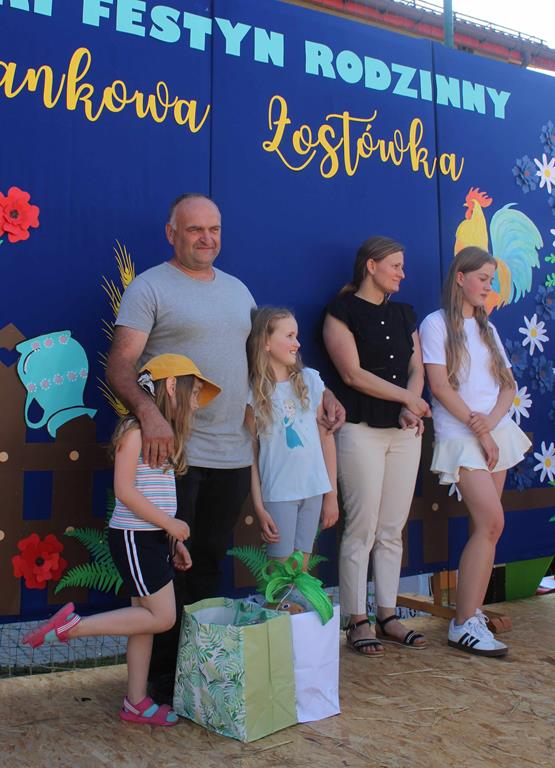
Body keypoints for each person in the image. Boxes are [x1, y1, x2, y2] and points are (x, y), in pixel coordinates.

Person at [105, 193, 344, 701]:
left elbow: (271, 359)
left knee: (209, 563)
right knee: (169, 568)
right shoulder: (149, 287)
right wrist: (149, 414)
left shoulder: (239, 291)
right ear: (172, 233)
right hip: (175, 456)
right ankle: (162, 683)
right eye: (195, 229)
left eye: (214, 229)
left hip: (234, 454)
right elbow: (120, 364)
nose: (206, 238)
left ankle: (200, 678)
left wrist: (321, 394)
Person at [23, 354, 221, 725]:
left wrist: (172, 539)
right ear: (172, 386)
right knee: (162, 617)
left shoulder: (164, 436)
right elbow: (125, 490)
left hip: (152, 540)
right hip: (134, 539)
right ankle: (73, 627)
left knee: (144, 621)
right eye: (194, 392)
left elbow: (156, 493)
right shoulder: (134, 431)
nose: (197, 403)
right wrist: (170, 524)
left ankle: (136, 701)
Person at [419, 247, 531, 657]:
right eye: (483, 278)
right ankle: (464, 624)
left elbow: (507, 385)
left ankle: (470, 614)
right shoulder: (435, 324)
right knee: (492, 522)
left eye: (491, 278)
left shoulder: (488, 327)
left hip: (492, 434)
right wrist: (478, 427)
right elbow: (439, 386)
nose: (489, 285)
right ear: (460, 278)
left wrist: (490, 425)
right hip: (460, 435)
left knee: (487, 528)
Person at [323, 236, 430, 656]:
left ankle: (387, 615)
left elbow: (416, 368)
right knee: (361, 527)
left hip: (404, 432)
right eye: (396, 265)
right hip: (360, 429)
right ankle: (356, 619)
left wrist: (410, 407)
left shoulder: (405, 313)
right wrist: (407, 400)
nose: (403, 273)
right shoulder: (341, 312)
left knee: (391, 528)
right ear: (371, 265)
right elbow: (351, 374)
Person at [246, 307, 339, 570]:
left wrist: (331, 495)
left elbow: (326, 439)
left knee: (302, 569)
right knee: (281, 575)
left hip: (313, 489)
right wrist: (259, 506)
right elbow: (251, 454)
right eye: (289, 336)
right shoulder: (254, 392)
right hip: (279, 492)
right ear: (266, 342)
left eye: (296, 336)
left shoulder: (310, 380)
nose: (297, 343)